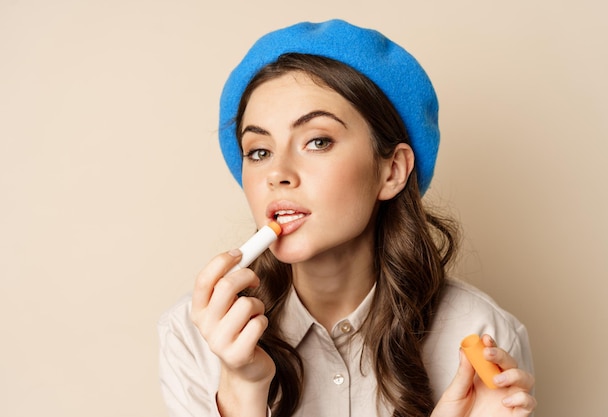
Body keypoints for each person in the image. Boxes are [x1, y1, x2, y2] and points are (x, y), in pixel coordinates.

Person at [158, 19, 536, 417]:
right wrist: (241, 389)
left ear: (391, 171)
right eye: (258, 151)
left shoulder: (478, 333)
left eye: (317, 141)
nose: (277, 173)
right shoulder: (191, 335)